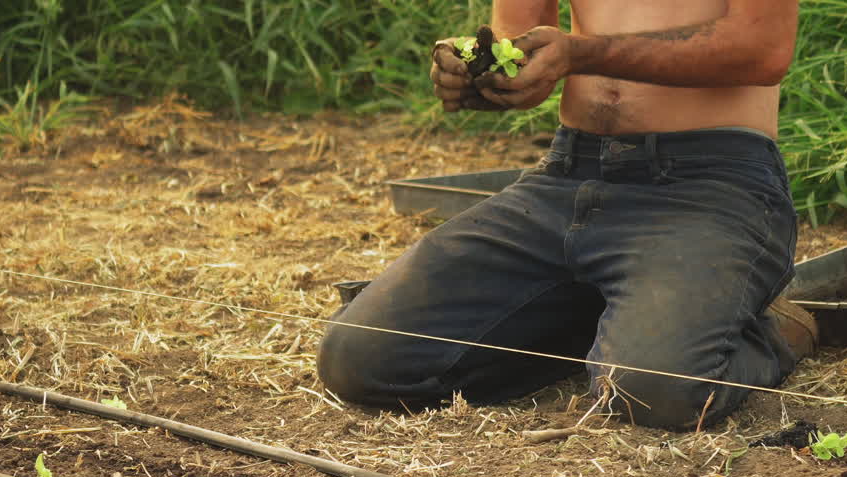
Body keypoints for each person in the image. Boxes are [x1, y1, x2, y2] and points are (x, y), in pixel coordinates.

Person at [317, 1, 817, 430]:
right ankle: (627, 319)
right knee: (361, 358)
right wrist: (479, 69)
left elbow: (762, 49)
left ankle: (773, 329)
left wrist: (581, 53)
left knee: (652, 391)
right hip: (566, 175)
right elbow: (524, 52)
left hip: (710, 182)